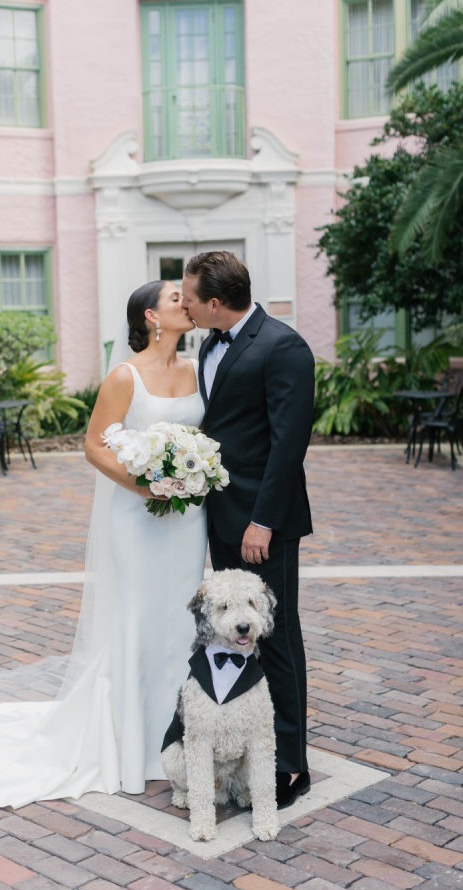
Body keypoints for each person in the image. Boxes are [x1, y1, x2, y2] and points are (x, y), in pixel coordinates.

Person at [0, 280, 207, 807]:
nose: (188, 302)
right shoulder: (123, 377)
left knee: (180, 622)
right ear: (151, 317)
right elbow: (94, 446)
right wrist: (148, 484)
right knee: (136, 621)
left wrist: (191, 480)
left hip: (187, 520)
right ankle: (131, 749)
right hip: (138, 519)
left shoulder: (199, 371)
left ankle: (172, 740)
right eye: (176, 298)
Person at [181, 250, 315, 810]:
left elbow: (290, 443)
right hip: (221, 515)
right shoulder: (210, 343)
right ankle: (243, 749)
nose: (182, 304)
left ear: (214, 302)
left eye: (189, 297)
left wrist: (263, 520)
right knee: (231, 636)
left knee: (276, 639)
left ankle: (289, 766)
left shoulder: (283, 346)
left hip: (263, 521)